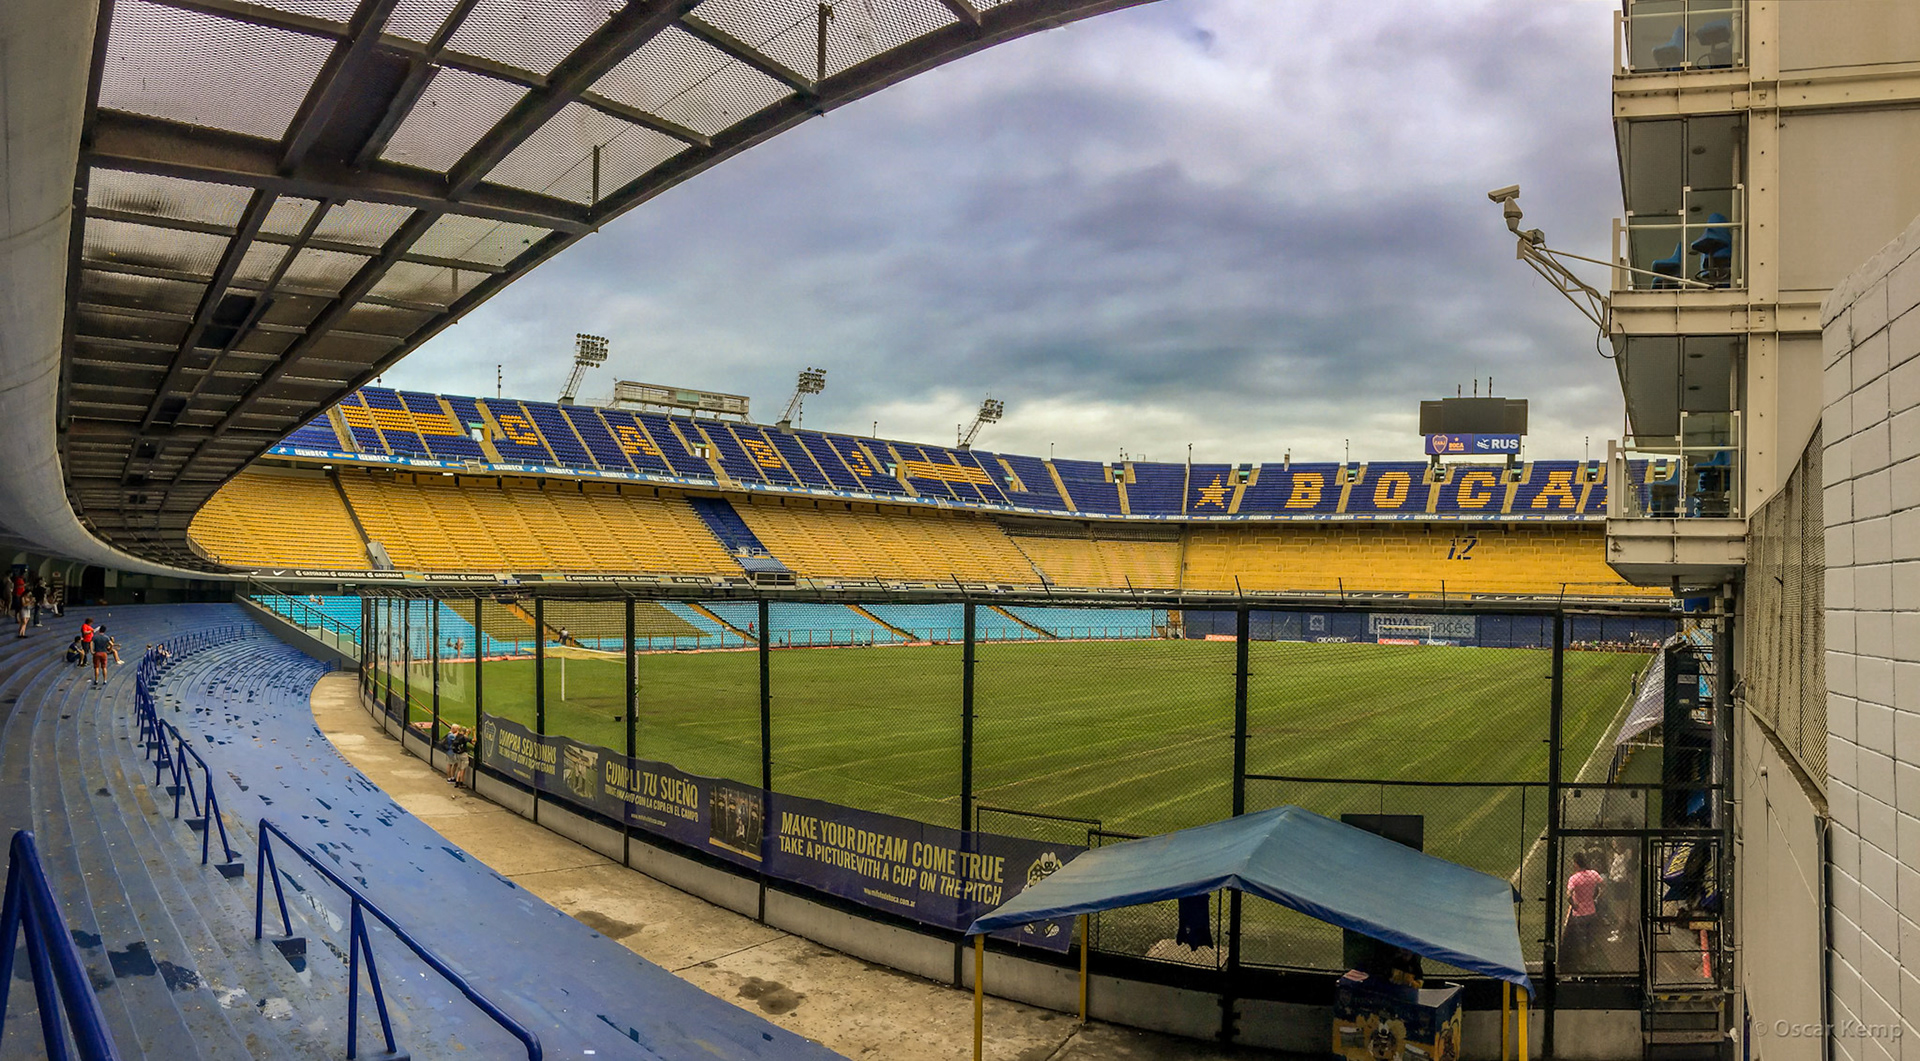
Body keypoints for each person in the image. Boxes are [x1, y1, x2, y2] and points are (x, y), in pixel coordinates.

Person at [1562, 851, 1605, 972]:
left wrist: (1574, 904)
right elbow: (1603, 885)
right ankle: (1591, 962)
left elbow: (1568, 895)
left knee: (1581, 940)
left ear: (1576, 864)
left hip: (1579, 913)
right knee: (1590, 938)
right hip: (1591, 911)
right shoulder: (1593, 874)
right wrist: (1596, 898)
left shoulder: (1574, 878)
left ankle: (1584, 963)